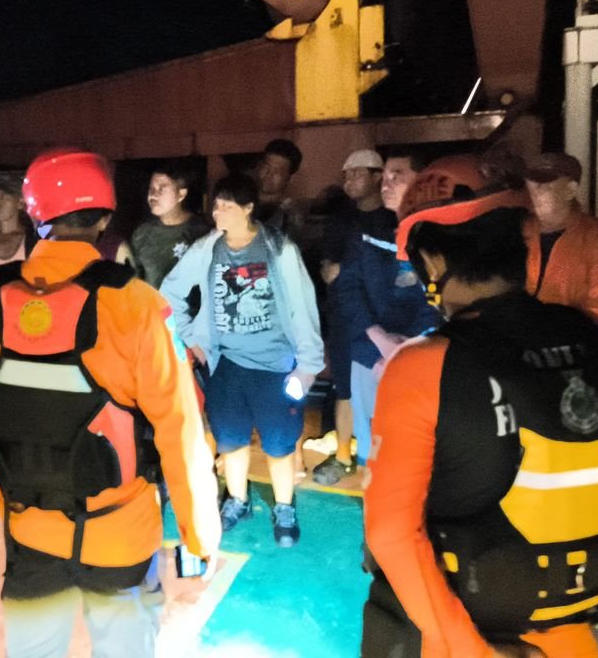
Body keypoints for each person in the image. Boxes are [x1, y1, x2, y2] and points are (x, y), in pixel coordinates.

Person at [0, 149, 220, 658]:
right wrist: (199, 532)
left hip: (29, 528)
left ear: (36, 216)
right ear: (104, 219)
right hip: (121, 533)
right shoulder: (137, 304)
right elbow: (179, 427)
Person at [362, 165, 598, 658]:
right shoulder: (592, 339)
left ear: (433, 262)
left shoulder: (424, 364)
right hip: (572, 628)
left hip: (463, 629)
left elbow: (389, 532)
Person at [162, 172, 324, 546]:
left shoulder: (279, 249)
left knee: (279, 445)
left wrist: (308, 365)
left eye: (227, 206)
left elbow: (303, 308)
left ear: (248, 208)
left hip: (276, 364)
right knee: (231, 440)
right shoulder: (208, 248)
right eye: (216, 205)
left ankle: (284, 506)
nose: (218, 213)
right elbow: (170, 291)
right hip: (226, 363)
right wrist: (190, 337)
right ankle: (237, 499)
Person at [324, 150, 439, 482]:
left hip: (420, 354)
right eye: (385, 177)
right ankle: (374, 509)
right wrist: (378, 338)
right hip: (369, 352)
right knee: (371, 447)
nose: (387, 184)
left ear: (421, 181)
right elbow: (347, 287)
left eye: (396, 176)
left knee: (417, 444)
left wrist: (406, 345)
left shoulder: (435, 232)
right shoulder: (365, 231)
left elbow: (438, 297)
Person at [313, 148, 394, 483]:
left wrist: (349, 270)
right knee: (345, 388)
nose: (350, 181)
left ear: (378, 177)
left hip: (389, 321)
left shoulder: (393, 217)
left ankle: (386, 457)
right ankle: (344, 455)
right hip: (345, 318)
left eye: (358, 173)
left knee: (390, 391)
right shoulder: (341, 219)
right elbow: (328, 271)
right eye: (346, 175)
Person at [523, 152, 598, 333]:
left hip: (571, 344)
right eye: (531, 184)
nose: (534, 192)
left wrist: (554, 337)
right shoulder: (518, 232)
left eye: (544, 185)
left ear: (570, 190)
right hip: (516, 343)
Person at [130, 164, 210, 290]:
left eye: (161, 189)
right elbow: (134, 283)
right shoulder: (141, 233)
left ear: (181, 194)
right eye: (151, 188)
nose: (153, 195)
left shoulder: (201, 232)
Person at [254, 138, 307, 239]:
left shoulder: (290, 215)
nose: (269, 174)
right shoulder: (241, 198)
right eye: (266, 167)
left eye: (277, 171)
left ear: (290, 178)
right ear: (259, 166)